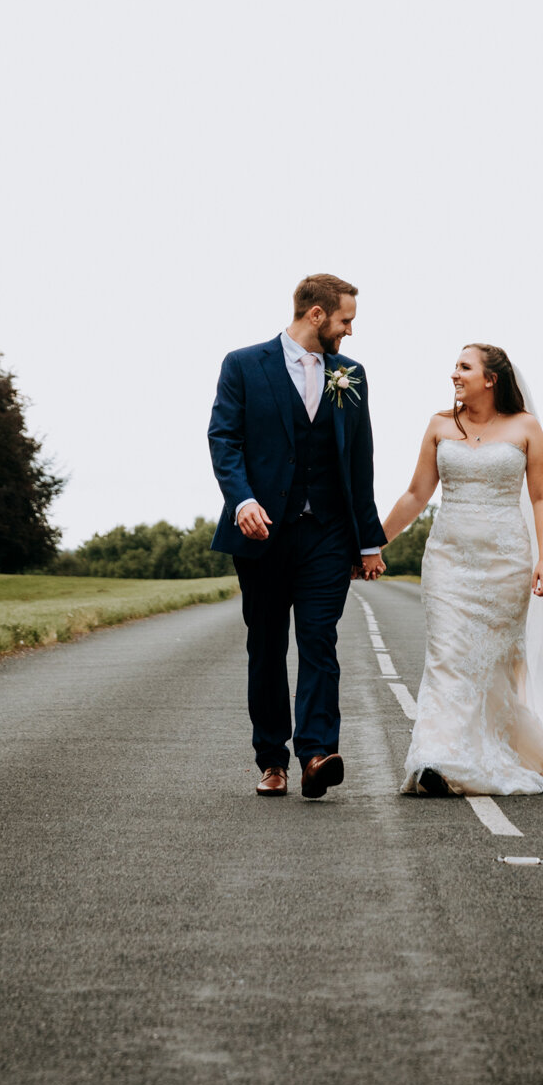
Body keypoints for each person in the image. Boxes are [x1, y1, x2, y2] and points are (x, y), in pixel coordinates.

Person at [377, 343, 543, 797]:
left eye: (463, 367)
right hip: (447, 562)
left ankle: (490, 751)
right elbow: (416, 495)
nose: (453, 374)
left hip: (505, 565)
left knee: (494, 667)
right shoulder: (440, 426)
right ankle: (435, 759)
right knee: (445, 659)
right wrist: (372, 543)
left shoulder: (525, 427)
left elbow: (541, 496)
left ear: (490, 379)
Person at [208, 274, 386, 800]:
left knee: (319, 641)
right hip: (263, 534)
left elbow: (360, 460)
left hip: (328, 535)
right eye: (345, 320)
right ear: (316, 315)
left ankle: (315, 754)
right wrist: (241, 501)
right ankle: (272, 760)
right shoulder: (243, 365)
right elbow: (224, 439)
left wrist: (368, 542)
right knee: (266, 647)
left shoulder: (350, 375)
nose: (349, 331)